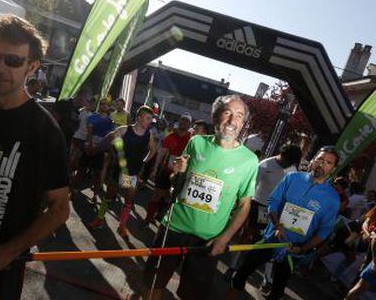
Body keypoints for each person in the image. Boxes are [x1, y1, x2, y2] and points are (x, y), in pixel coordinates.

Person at [0, 14, 69, 299]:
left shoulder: (45, 131)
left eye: (13, 61)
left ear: (31, 67)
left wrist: (8, 251)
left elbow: (60, 209)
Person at [142, 95, 258, 300]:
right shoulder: (196, 143)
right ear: (216, 116)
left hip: (208, 239)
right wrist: (176, 172)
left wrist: (224, 238)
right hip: (174, 227)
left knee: (193, 295)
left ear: (243, 123)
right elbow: (175, 182)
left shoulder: (249, 161)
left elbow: (244, 205)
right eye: (228, 113)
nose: (232, 121)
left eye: (239, 116)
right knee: (153, 283)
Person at [228, 146, 340, 300]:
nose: (322, 164)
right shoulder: (292, 177)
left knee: (277, 291)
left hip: (293, 250)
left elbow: (323, 231)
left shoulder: (332, 199)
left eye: (328, 163)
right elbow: (273, 202)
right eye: (320, 159)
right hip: (270, 239)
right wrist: (277, 225)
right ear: (313, 159)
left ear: (334, 168)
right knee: (241, 273)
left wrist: (302, 248)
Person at [224, 144, 302, 285]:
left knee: (272, 243)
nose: (287, 165)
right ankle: (232, 267)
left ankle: (267, 278)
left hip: (277, 210)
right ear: (281, 154)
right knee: (246, 237)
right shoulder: (265, 165)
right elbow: (251, 187)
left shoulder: (293, 169)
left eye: (290, 163)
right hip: (258, 205)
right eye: (286, 161)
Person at [89, 105, 156, 236]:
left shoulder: (149, 135)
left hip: (131, 174)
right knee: (109, 196)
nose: (149, 121)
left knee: (128, 200)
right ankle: (99, 219)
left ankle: (122, 226)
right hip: (118, 170)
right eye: (147, 118)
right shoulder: (124, 130)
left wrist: (144, 161)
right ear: (139, 117)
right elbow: (110, 138)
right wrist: (98, 148)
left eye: (150, 119)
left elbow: (153, 150)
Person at [144, 112, 192, 225]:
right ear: (179, 121)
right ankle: (148, 218)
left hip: (179, 175)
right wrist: (155, 169)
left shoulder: (191, 140)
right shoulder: (170, 136)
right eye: (182, 119)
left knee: (169, 198)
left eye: (186, 120)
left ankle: (160, 216)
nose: (183, 122)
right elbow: (161, 153)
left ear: (189, 124)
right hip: (166, 171)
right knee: (157, 194)